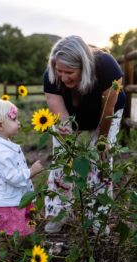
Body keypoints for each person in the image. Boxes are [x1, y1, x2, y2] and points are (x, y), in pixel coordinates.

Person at [43, 35, 126, 233]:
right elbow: (60, 113)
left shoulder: (107, 67)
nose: (62, 77)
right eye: (59, 71)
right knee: (62, 158)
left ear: (84, 66)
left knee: (101, 159)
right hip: (72, 114)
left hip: (105, 112)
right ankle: (58, 212)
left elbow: (107, 110)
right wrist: (65, 130)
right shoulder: (51, 75)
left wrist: (102, 141)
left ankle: (98, 216)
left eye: (69, 72)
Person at [0, 98, 43, 245]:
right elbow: (11, 177)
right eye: (14, 119)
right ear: (0, 126)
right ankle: (8, 258)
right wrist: (31, 171)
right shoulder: (1, 151)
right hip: (6, 204)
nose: (19, 123)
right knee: (7, 235)